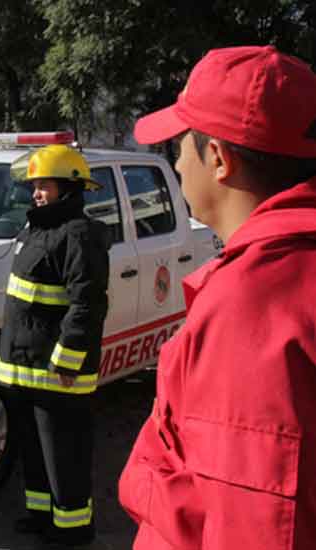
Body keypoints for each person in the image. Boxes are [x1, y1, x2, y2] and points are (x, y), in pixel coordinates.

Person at [119, 45, 316, 550]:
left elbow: (256, 523)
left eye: (180, 144)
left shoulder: (255, 303)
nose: (177, 163)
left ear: (219, 159)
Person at [0, 144, 109, 546]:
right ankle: (42, 515)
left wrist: (67, 361)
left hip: (58, 374)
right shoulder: (37, 230)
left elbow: (87, 305)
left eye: (43, 186)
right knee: (34, 450)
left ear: (69, 187)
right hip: (27, 367)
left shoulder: (79, 235)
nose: (36, 194)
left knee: (65, 456)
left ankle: (73, 529)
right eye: (34, 187)